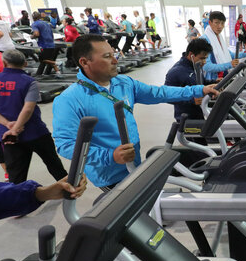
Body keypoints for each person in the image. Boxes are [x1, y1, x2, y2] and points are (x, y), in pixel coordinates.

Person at [51, 34, 218, 189]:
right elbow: (65, 145)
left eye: (114, 54)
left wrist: (198, 90)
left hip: (134, 165)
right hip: (110, 176)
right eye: (107, 56)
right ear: (84, 62)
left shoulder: (123, 83)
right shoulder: (69, 100)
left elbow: (158, 93)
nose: (115, 61)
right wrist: (110, 156)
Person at [0, 50, 68, 184]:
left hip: (8, 136)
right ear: (25, 63)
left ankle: (18, 198)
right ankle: (69, 191)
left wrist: (8, 125)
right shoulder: (29, 82)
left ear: (4, 63)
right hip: (35, 132)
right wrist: (16, 128)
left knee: (16, 177)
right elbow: (28, 108)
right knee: (55, 166)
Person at [165, 38, 213, 121]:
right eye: (202, 58)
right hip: (187, 119)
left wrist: (214, 82)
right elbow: (167, 96)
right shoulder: (176, 72)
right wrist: (191, 100)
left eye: (205, 58)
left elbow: (201, 82)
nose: (204, 62)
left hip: (200, 113)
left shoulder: (196, 65)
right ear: (191, 55)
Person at [201, 11, 246, 82]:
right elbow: (206, 66)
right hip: (214, 80)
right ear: (210, 23)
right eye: (216, 23)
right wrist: (229, 64)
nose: (220, 26)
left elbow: (230, 55)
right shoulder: (204, 40)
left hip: (225, 75)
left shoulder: (219, 37)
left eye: (222, 23)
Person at [31, 11, 62, 77]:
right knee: (49, 60)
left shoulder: (35, 24)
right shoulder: (46, 23)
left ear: (33, 18)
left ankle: (58, 63)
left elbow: (36, 34)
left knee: (42, 60)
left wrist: (32, 36)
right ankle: (58, 72)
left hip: (44, 44)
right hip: (51, 43)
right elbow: (51, 33)